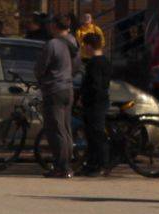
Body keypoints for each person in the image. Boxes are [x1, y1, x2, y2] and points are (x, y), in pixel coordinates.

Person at [34, 16, 76, 178]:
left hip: (54, 89)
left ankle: (61, 166)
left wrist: (40, 78)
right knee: (65, 127)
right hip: (68, 87)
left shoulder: (53, 44)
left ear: (55, 26)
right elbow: (77, 65)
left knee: (55, 128)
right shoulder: (72, 42)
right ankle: (67, 164)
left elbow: (41, 67)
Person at [77, 33, 111, 175]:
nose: (84, 48)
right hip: (101, 100)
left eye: (85, 45)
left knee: (96, 135)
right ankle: (91, 163)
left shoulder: (94, 63)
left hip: (94, 103)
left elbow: (95, 84)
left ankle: (101, 164)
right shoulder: (105, 61)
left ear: (90, 46)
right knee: (91, 135)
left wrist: (84, 96)